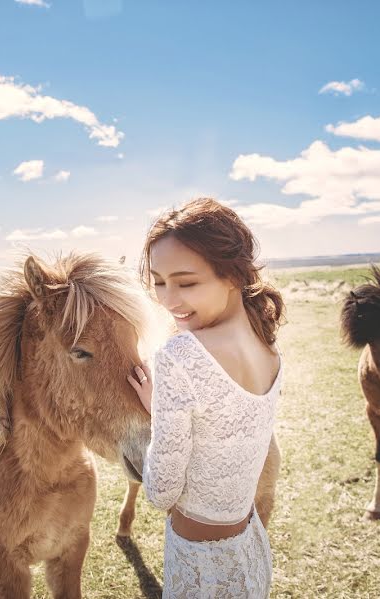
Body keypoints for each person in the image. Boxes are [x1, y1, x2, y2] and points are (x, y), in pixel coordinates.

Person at [127, 197, 285, 598]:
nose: (168, 299)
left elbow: (160, 493)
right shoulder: (268, 346)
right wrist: (169, 409)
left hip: (200, 567)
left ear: (232, 275)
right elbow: (225, 429)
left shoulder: (180, 356)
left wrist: (161, 414)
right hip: (249, 551)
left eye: (187, 282)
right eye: (159, 282)